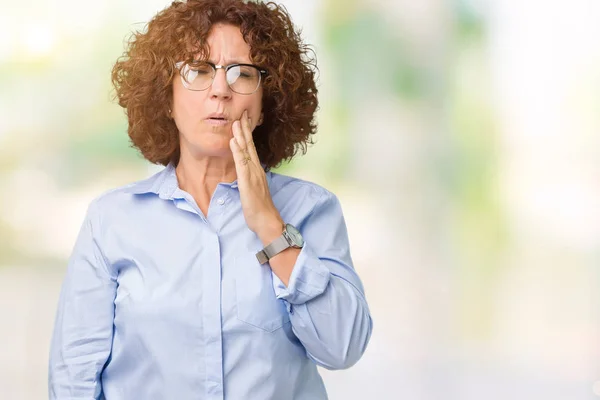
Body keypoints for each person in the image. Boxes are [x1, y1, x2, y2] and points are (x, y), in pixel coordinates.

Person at [48, 0, 373, 399]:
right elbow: (73, 381)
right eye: (198, 71)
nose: (220, 90)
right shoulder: (111, 221)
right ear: (165, 98)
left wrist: (270, 226)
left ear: (266, 101)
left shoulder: (312, 210)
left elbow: (343, 348)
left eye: (243, 73)